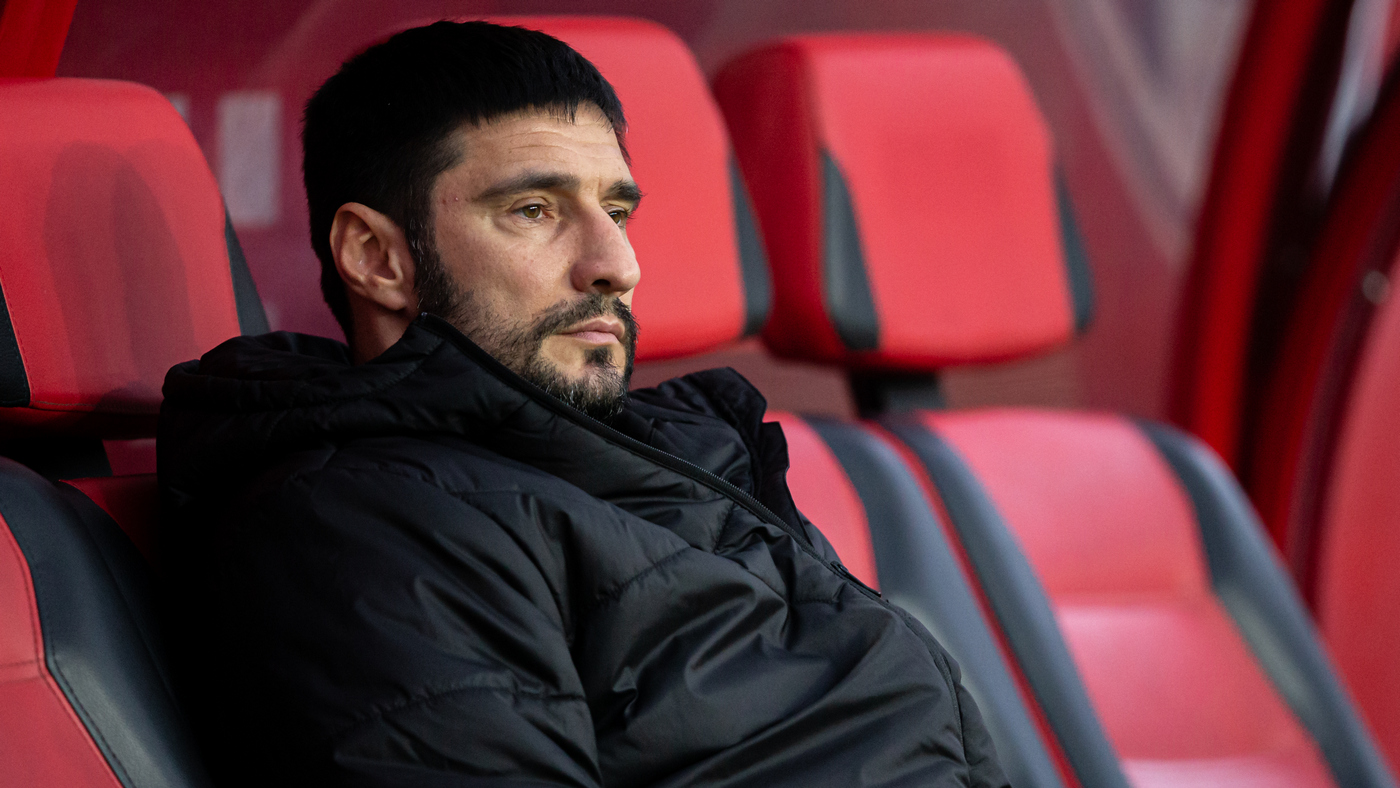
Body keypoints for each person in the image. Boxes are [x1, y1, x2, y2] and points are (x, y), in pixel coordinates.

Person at [160, 20, 1008, 788]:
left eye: (616, 210)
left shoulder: (681, 457)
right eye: (534, 210)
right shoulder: (354, 527)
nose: (616, 265)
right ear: (377, 258)